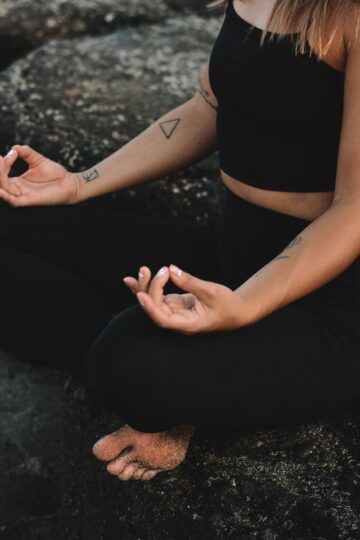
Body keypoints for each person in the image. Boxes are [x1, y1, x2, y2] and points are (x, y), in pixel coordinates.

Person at [0, 0, 360, 483]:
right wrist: (78, 184)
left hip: (327, 302)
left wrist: (243, 306)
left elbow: (353, 209)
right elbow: (208, 108)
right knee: (11, 214)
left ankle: (174, 388)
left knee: (127, 359)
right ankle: (188, 380)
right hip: (229, 250)